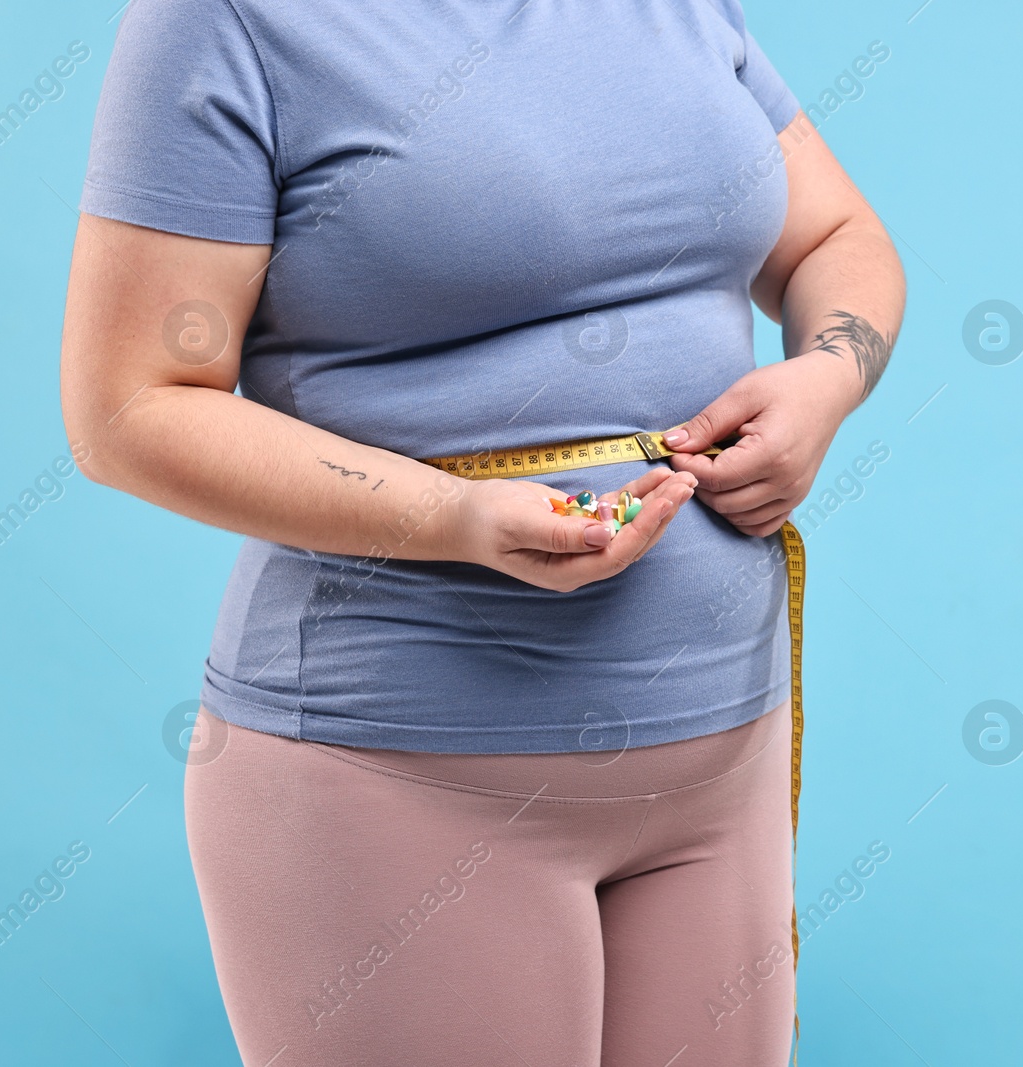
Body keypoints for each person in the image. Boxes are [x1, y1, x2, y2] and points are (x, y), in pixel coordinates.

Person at [58, 0, 905, 1064]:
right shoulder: (223, 19)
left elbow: (836, 235)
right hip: (399, 779)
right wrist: (452, 513)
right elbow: (128, 406)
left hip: (716, 771)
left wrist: (829, 373)